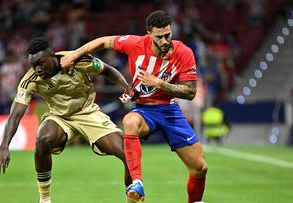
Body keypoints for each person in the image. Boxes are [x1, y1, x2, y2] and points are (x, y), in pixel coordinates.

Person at [61, 10, 208, 203]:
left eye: (168, 35)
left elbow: (190, 92)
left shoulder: (184, 52)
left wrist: (160, 84)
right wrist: (74, 55)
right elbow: (104, 41)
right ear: (149, 33)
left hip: (169, 110)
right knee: (129, 121)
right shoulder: (135, 44)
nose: (164, 41)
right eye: (159, 37)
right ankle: (137, 182)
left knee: (200, 168)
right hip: (144, 109)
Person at [0, 37, 137, 203]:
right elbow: (15, 114)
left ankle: (131, 200)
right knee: (42, 139)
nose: (37, 69)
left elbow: (107, 70)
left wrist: (127, 87)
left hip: (88, 113)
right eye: (33, 65)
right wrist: (4, 146)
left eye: (40, 63)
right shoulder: (30, 80)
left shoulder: (78, 59)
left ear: (52, 55)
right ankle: (44, 199)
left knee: (128, 153)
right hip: (59, 117)